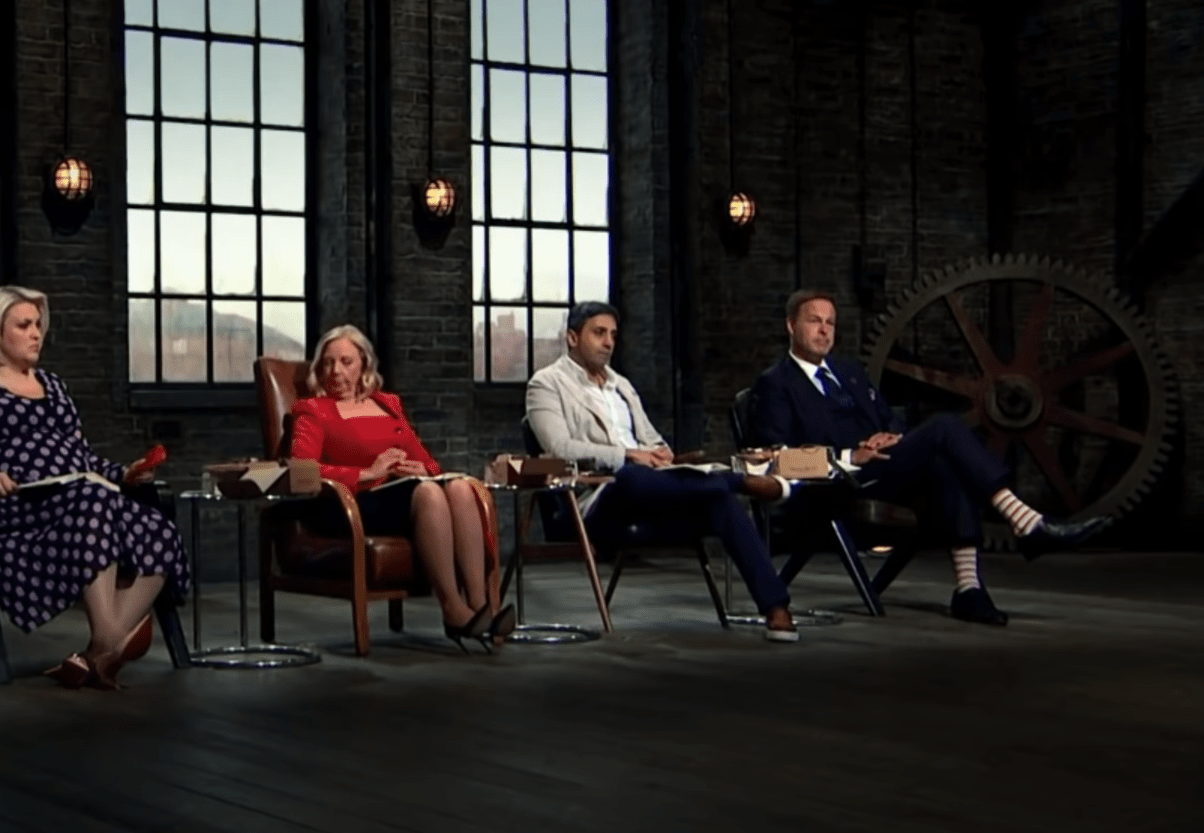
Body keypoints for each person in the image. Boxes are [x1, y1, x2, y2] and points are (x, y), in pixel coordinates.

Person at [746, 289, 1107, 625]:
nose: (824, 330)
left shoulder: (849, 372)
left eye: (830, 323)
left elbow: (887, 418)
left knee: (945, 463)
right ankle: (1025, 522)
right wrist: (850, 455)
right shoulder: (775, 384)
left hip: (885, 468)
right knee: (945, 427)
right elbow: (775, 461)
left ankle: (969, 589)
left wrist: (891, 435)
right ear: (791, 325)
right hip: (837, 483)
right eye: (814, 321)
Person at [0, 286, 189, 690]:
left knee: (156, 527)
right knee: (94, 500)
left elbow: (81, 457)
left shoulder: (53, 386)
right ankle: (111, 638)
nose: (36, 333)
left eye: (38, 324)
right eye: (24, 325)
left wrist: (123, 473)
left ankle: (98, 654)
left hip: (82, 497)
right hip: (23, 510)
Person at [526, 302, 801, 642]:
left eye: (613, 335)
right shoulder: (546, 384)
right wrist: (628, 454)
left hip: (655, 490)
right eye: (599, 333)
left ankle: (776, 607)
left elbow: (651, 439)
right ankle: (738, 481)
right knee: (630, 475)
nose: (609, 342)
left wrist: (660, 452)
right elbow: (560, 449)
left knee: (722, 503)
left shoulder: (621, 386)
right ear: (572, 337)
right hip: (597, 497)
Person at [287, 324, 511, 652]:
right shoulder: (313, 410)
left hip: (402, 493)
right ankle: (452, 608)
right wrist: (367, 472)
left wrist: (423, 469)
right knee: (429, 493)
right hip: (354, 502)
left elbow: (428, 461)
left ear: (364, 364)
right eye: (328, 363)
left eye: (346, 362)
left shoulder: (386, 404)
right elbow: (301, 469)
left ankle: (480, 607)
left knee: (462, 489)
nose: (336, 371)